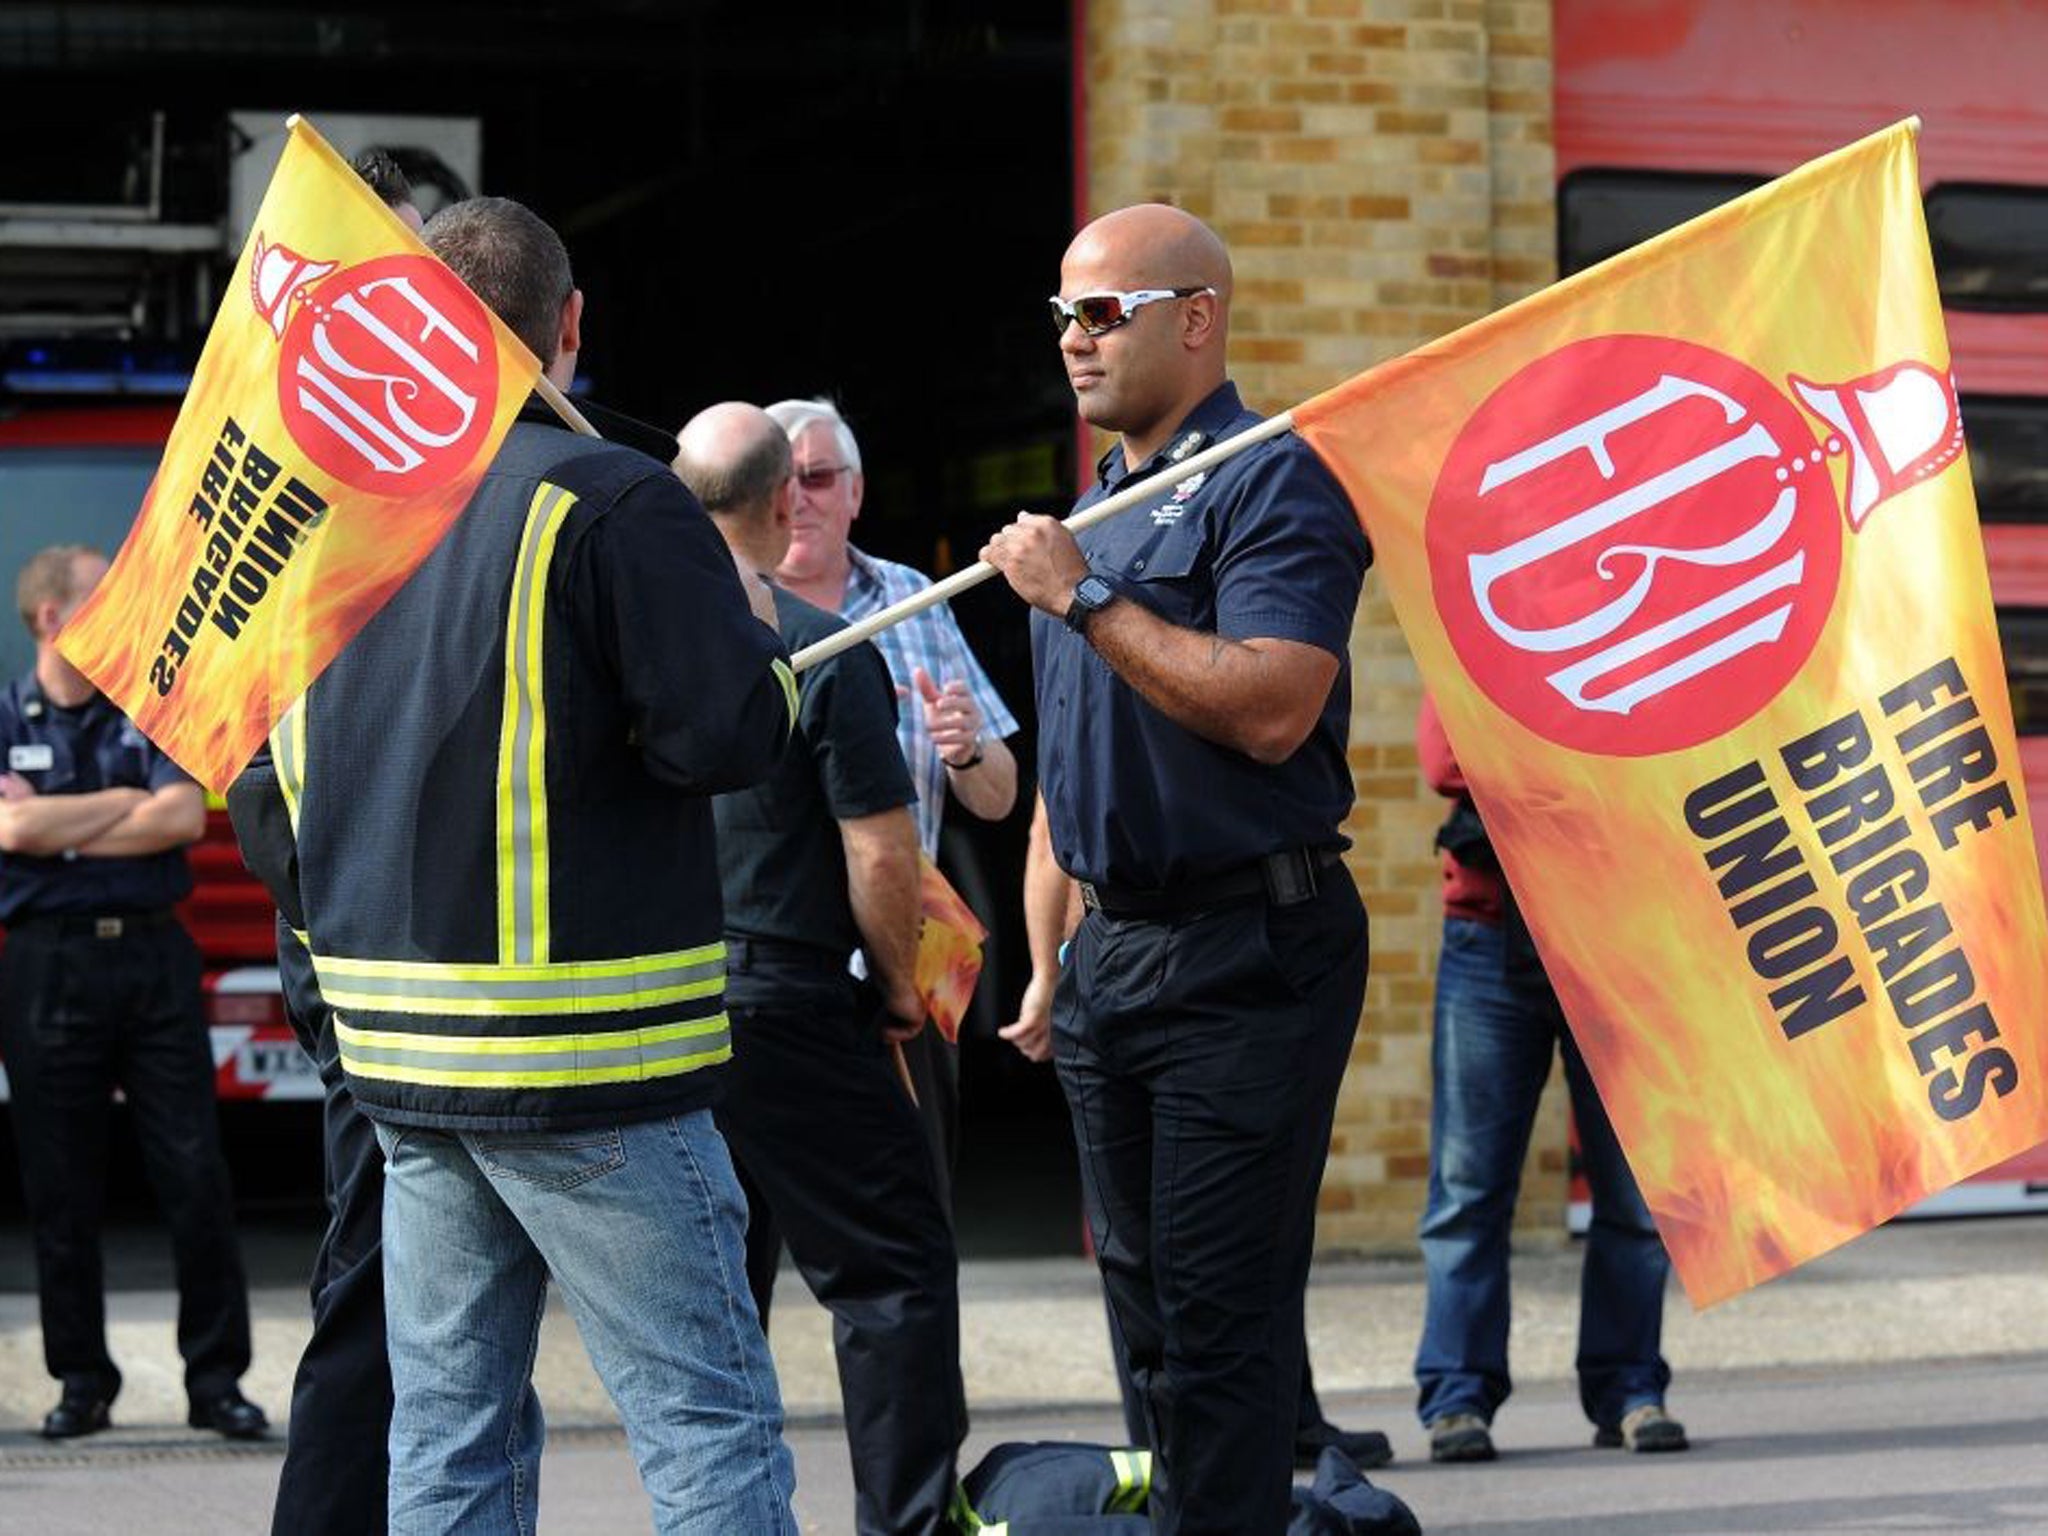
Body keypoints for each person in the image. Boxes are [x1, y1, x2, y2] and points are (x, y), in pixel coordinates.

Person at [283, 196, 799, 1534]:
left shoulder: (339, 525)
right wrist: (752, 637)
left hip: (405, 1069)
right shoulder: (616, 498)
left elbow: (268, 795)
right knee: (706, 1425)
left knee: (450, 1432)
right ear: (568, 328)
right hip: (592, 1068)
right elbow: (724, 736)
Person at [980, 204, 1371, 1535]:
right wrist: (1051, 961)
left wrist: (1085, 598)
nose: (1073, 342)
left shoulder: (1273, 479)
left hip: (1246, 950)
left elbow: (1271, 705)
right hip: (1119, 958)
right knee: (1149, 1322)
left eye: (1102, 314)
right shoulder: (1099, 502)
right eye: (1062, 315)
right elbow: (1069, 788)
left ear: (1196, 319)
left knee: (1221, 1323)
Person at [678, 401, 966, 1536]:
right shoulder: (821, 653)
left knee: (709, 1302)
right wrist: (897, 987)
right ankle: (905, 1523)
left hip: (651, 1010)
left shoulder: (616, 652)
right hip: (788, 1001)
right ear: (788, 500)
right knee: (891, 1272)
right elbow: (879, 847)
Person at [218, 144, 422, 1536]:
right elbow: (239, 762)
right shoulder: (300, 503)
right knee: (380, 1287)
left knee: (458, 1319)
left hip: (494, 977)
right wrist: (340, 924)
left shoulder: (488, 479)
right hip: (368, 967)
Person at [1010, 805, 1394, 1475]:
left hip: (1178, 942)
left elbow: (1051, 833)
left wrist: (1048, 974)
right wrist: (1051, 974)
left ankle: (1223, 1455)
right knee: (1190, 1264)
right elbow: (1051, 833)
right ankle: (1196, 1463)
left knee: (1200, 1261)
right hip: (1135, 947)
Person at [0, 546, 267, 1442]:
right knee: (61, 1187)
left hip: (154, 959)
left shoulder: (148, 711)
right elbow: (10, 831)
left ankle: (216, 1382)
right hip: (46, 967)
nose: (127, 606)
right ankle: (82, 1383)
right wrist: (120, 808)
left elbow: (183, 817)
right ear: (51, 621)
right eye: (100, 596)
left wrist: (54, 826)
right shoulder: (4, 716)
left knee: (194, 1174)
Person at [1413, 693, 1687, 1461]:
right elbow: (1445, 761)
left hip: (1623, 936)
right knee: (1468, 1194)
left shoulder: (1646, 625)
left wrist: (1530, 747)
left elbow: (1677, 751)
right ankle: (1457, 1398)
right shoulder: (1478, 615)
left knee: (1634, 1195)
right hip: (1491, 935)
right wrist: (1600, 754)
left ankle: (1631, 1388)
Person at [765, 395, 1020, 1191]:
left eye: (819, 476)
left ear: (855, 492)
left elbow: (999, 799)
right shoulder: (716, 605)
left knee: (912, 1215)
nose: (800, 496)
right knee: (742, 1233)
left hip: (907, 962)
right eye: (782, 479)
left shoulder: (914, 599)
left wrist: (969, 747)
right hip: (762, 973)